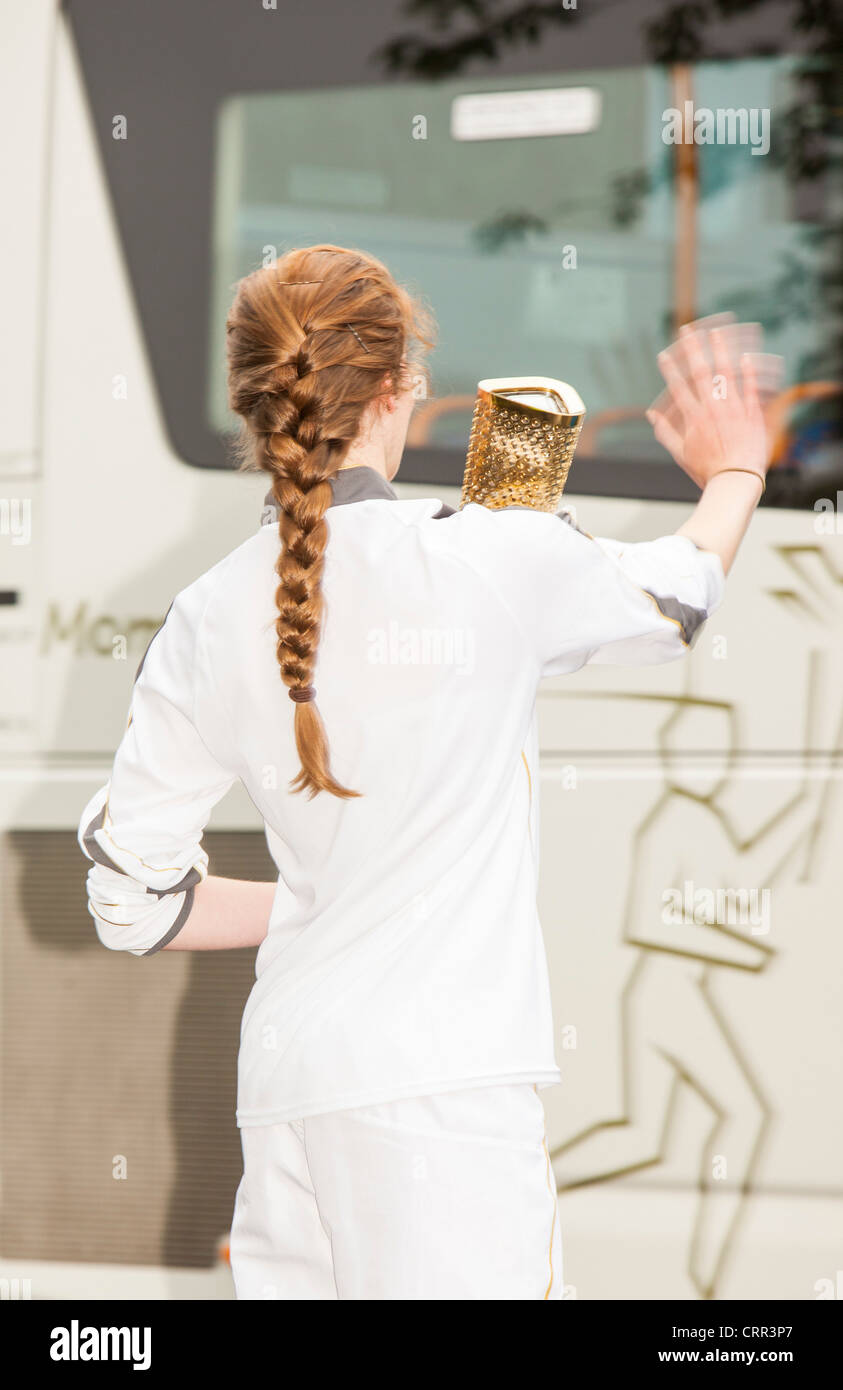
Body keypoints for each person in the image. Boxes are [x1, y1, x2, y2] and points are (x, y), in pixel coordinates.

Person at [77, 243, 771, 1300]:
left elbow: (133, 905)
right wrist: (739, 467)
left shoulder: (204, 617)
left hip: (288, 1099)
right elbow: (677, 599)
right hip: (447, 1094)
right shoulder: (490, 557)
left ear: (254, 406)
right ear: (402, 390)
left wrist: (329, 900)